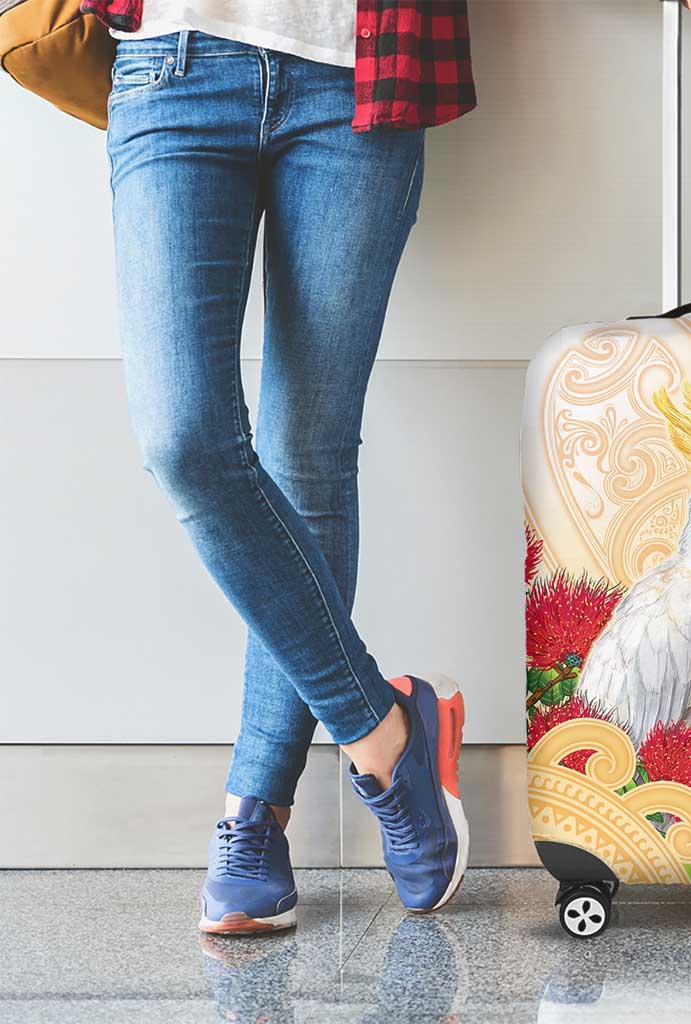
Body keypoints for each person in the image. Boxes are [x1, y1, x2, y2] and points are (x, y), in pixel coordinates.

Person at [82, 0, 474, 933]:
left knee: (308, 455)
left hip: (358, 80)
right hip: (174, 69)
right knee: (184, 440)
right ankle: (386, 731)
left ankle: (254, 815)